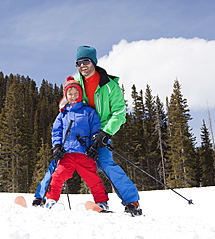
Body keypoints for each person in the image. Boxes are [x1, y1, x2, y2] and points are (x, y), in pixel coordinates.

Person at [34, 45, 141, 215]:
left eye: (86, 61)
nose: (82, 66)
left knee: (106, 164)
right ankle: (40, 198)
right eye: (78, 63)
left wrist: (106, 132)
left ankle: (131, 202)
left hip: (101, 133)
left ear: (94, 62)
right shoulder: (76, 82)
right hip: (79, 136)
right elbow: (65, 104)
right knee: (57, 164)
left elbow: (120, 112)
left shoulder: (109, 86)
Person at [44, 76, 109, 210]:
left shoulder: (89, 111)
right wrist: (56, 146)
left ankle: (102, 202)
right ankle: (51, 200)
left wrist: (94, 146)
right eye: (70, 94)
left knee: (93, 179)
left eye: (76, 93)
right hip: (66, 153)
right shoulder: (63, 114)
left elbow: (95, 130)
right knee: (57, 177)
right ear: (66, 95)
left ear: (80, 94)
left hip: (84, 152)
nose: (73, 96)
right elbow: (56, 131)